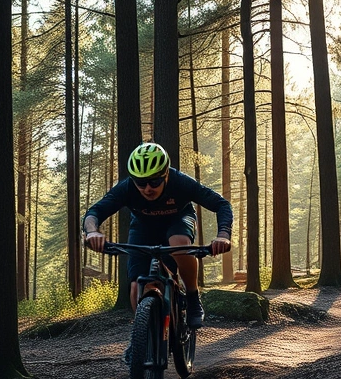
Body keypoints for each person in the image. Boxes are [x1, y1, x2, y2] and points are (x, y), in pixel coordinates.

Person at [83, 141, 233, 332]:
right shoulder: (127, 188)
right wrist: (92, 232)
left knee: (178, 243)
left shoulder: (180, 182)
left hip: (178, 220)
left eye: (154, 182)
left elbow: (221, 205)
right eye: (141, 183)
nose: (147, 188)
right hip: (143, 227)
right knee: (136, 288)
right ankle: (143, 339)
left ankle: (193, 297)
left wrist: (223, 235)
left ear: (166, 174)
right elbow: (94, 212)